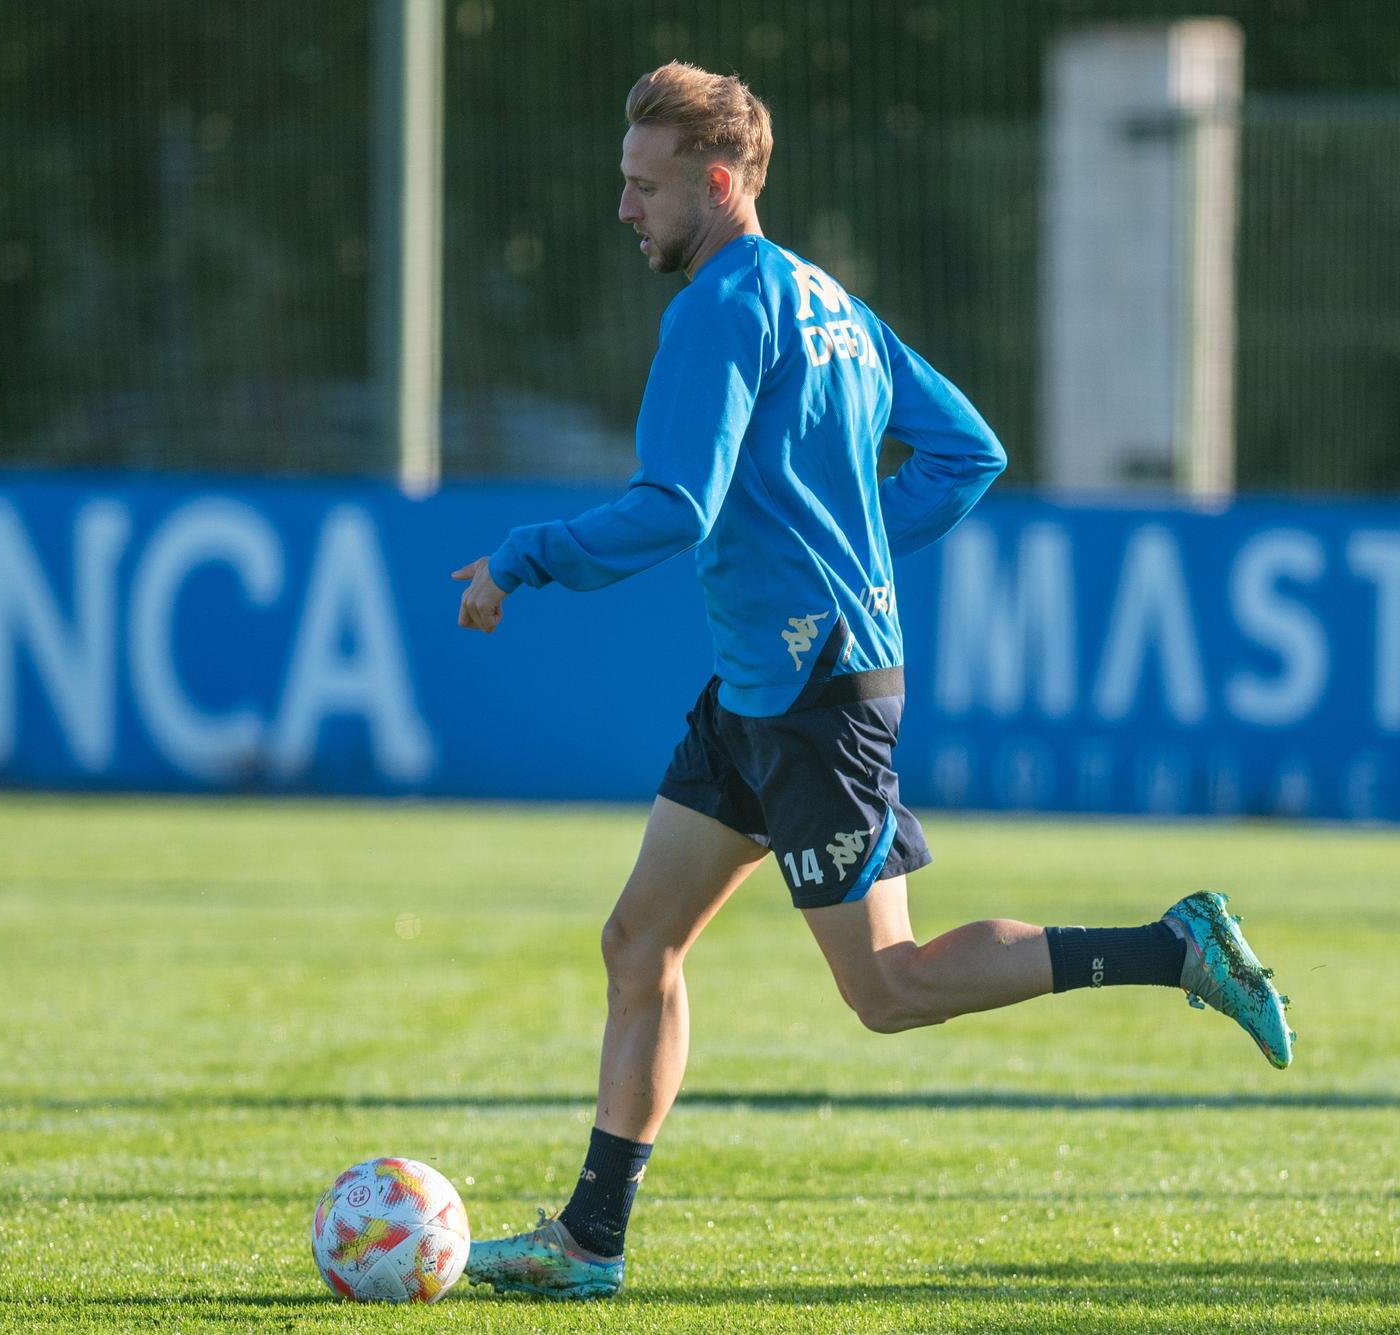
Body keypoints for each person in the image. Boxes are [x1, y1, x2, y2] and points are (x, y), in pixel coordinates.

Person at [450, 61, 1294, 1302]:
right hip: (758, 687)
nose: (624, 209)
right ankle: (589, 1240)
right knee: (638, 942)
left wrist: (523, 561)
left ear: (717, 181)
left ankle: (1171, 949)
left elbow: (672, 508)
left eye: (641, 187)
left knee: (888, 994)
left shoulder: (721, 308)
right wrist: (841, 548)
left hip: (812, 699)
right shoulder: (827, 301)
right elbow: (968, 452)